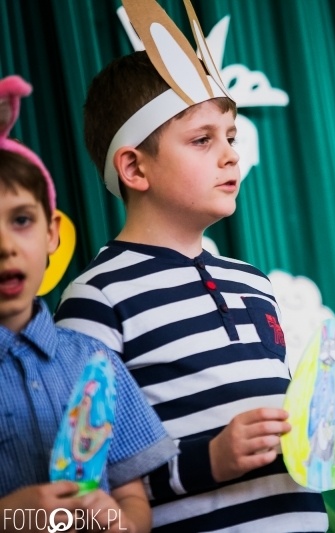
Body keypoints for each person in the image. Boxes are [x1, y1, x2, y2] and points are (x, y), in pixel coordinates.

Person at [53, 2, 335, 531]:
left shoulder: (252, 282)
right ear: (135, 167)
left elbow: (277, 443)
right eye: (203, 139)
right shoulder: (98, 297)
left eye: (230, 135)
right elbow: (90, 488)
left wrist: (330, 437)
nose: (230, 155)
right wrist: (208, 461)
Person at [0, 74, 177, 533]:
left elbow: (132, 498)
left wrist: (122, 523)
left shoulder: (93, 361)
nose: (5, 246)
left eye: (20, 220)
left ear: (51, 233)